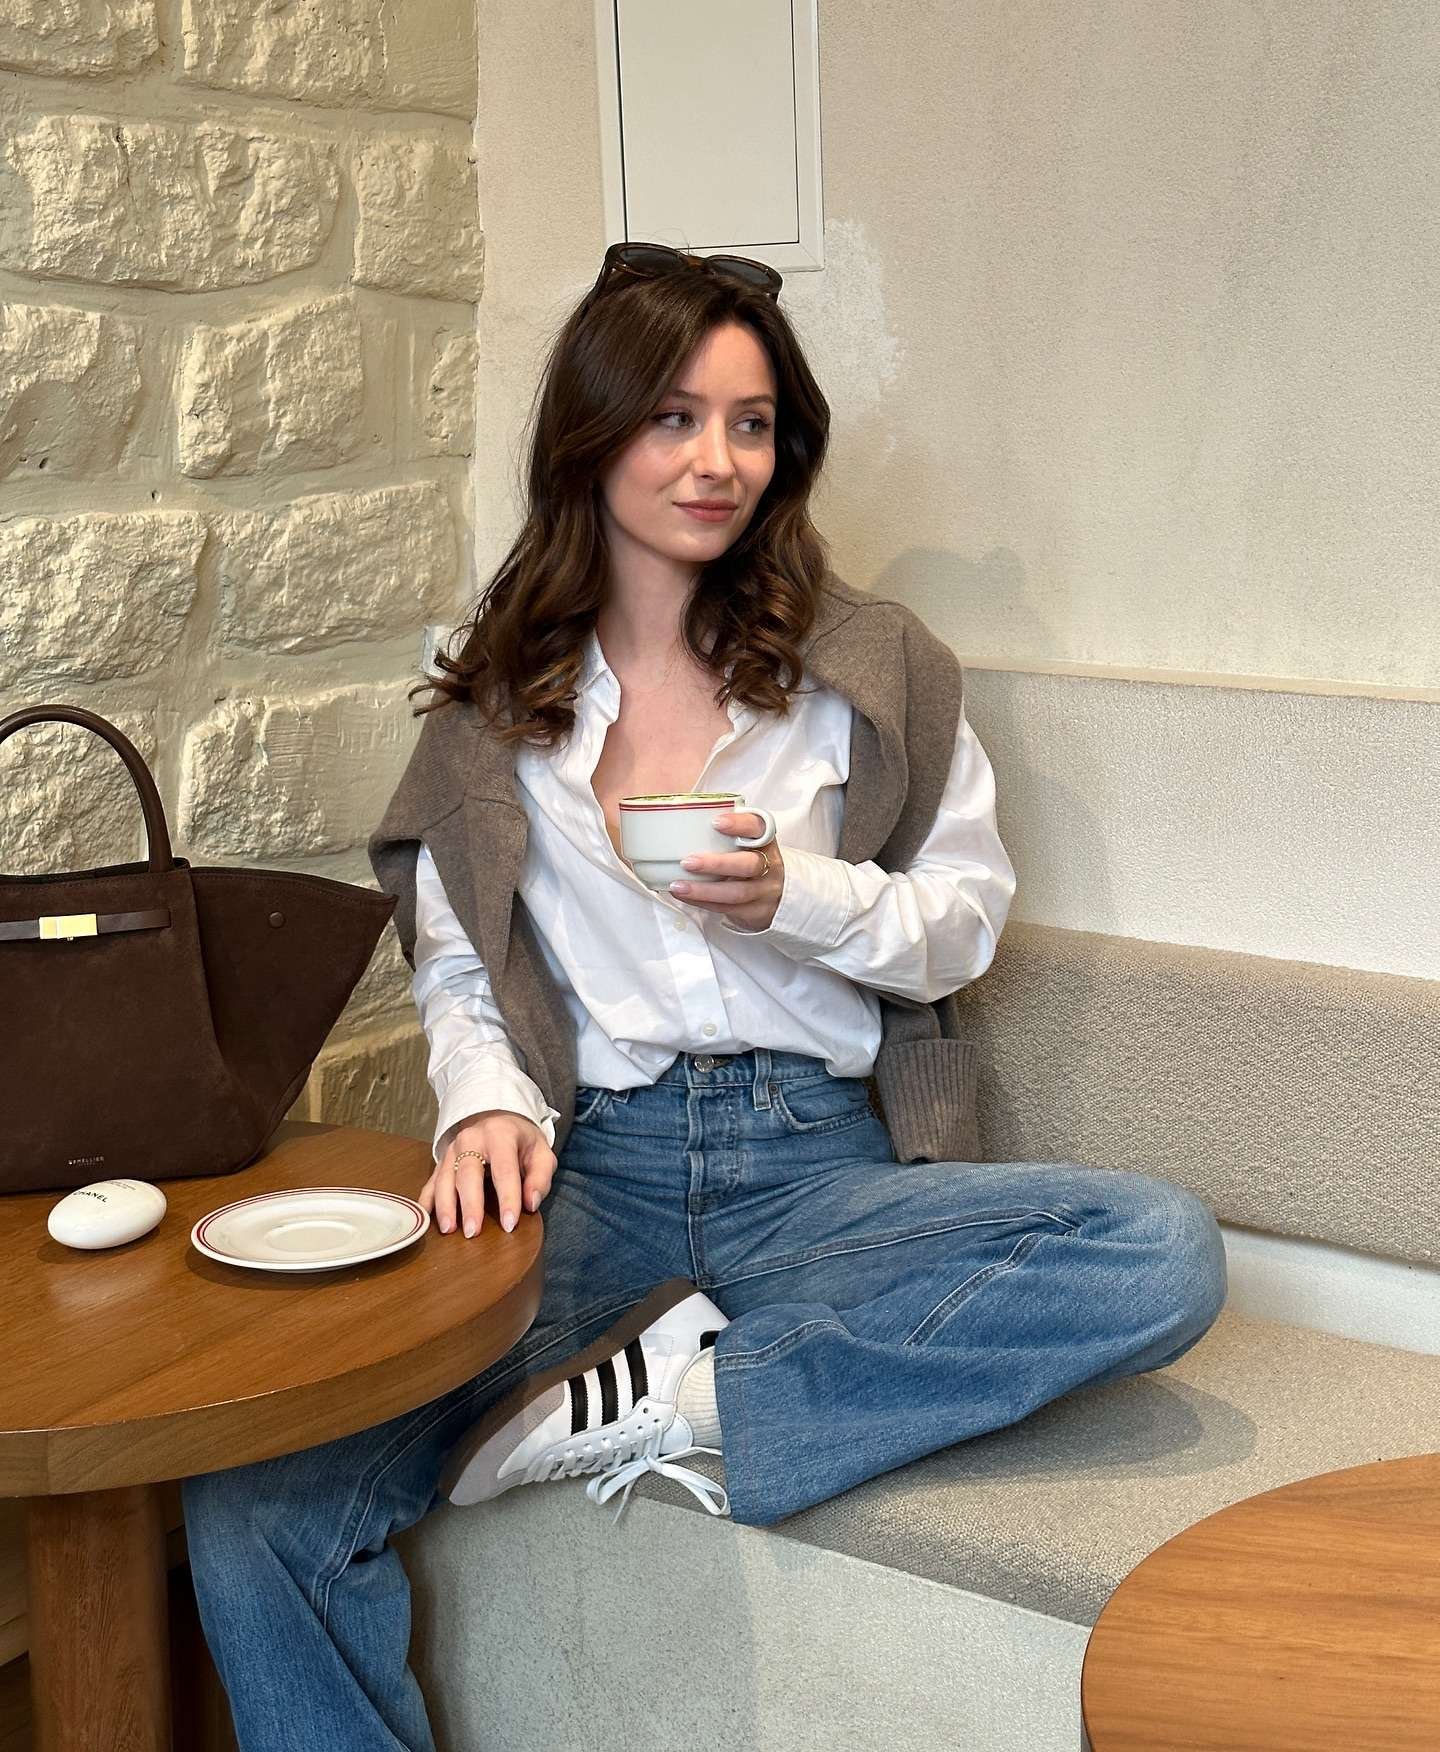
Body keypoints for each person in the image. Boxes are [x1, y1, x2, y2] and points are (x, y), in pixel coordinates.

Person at [183, 242, 1227, 1752]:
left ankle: (699, 1402)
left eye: (750, 424)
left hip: (814, 1168)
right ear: (593, 435)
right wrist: (482, 1106)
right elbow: (463, 952)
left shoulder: (869, 671)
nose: (715, 461)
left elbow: (961, 929)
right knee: (253, 1505)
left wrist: (789, 895)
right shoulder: (498, 701)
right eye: (674, 417)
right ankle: (648, 1379)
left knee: (1159, 1250)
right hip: (592, 1167)